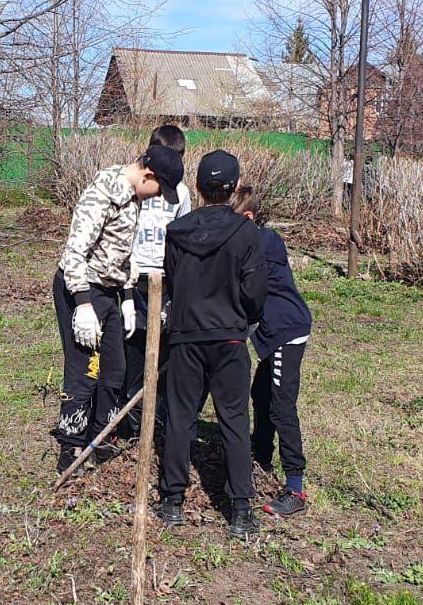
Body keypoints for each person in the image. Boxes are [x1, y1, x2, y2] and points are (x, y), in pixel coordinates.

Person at [53, 145, 184, 474]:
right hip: (81, 288)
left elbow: (122, 253)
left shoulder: (133, 198)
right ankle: (71, 448)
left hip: (110, 289)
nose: (157, 197)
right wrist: (82, 303)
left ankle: (102, 438)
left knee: (115, 368)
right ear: (147, 175)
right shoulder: (103, 193)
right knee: (86, 368)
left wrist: (127, 296)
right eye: (158, 189)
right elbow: (75, 252)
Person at [158, 150, 266, 537]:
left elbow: (169, 279)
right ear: (235, 186)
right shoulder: (247, 233)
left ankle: (172, 500)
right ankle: (240, 510)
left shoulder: (178, 231)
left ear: (198, 187)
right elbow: (255, 292)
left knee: (180, 417)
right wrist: (243, 317)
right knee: (234, 420)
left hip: (186, 336)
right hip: (230, 338)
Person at [232, 190, 314, 517]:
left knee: (281, 407)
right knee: (260, 393)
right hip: (272, 334)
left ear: (248, 219)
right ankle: (261, 460)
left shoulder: (265, 242)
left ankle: (296, 488)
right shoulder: (255, 240)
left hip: (286, 332)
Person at [121, 125, 192, 439]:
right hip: (134, 277)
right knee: (132, 350)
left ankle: (156, 417)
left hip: (165, 282)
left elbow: (182, 236)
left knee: (162, 354)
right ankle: (131, 421)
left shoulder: (182, 194)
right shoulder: (136, 185)